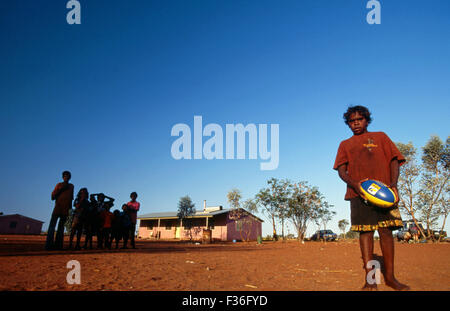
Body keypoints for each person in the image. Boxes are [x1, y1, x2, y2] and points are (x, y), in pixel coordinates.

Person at [333, 105, 410, 291]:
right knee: (365, 233)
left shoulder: (381, 137)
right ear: (348, 124)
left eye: (359, 119)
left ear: (367, 120)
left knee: (386, 233)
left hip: (384, 194)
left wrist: (393, 185)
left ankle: (390, 278)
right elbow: (341, 171)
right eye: (352, 121)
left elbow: (394, 160)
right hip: (358, 194)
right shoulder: (345, 144)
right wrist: (356, 185)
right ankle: (370, 280)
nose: (356, 123)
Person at [45, 171, 74, 250]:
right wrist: (60, 189)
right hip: (57, 209)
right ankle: (49, 245)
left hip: (66, 210)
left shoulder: (71, 186)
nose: (66, 177)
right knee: (52, 227)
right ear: (62, 177)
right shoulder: (59, 185)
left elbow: (71, 199)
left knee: (61, 228)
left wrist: (70, 211)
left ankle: (58, 246)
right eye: (65, 176)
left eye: (68, 176)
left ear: (69, 177)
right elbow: (52, 197)